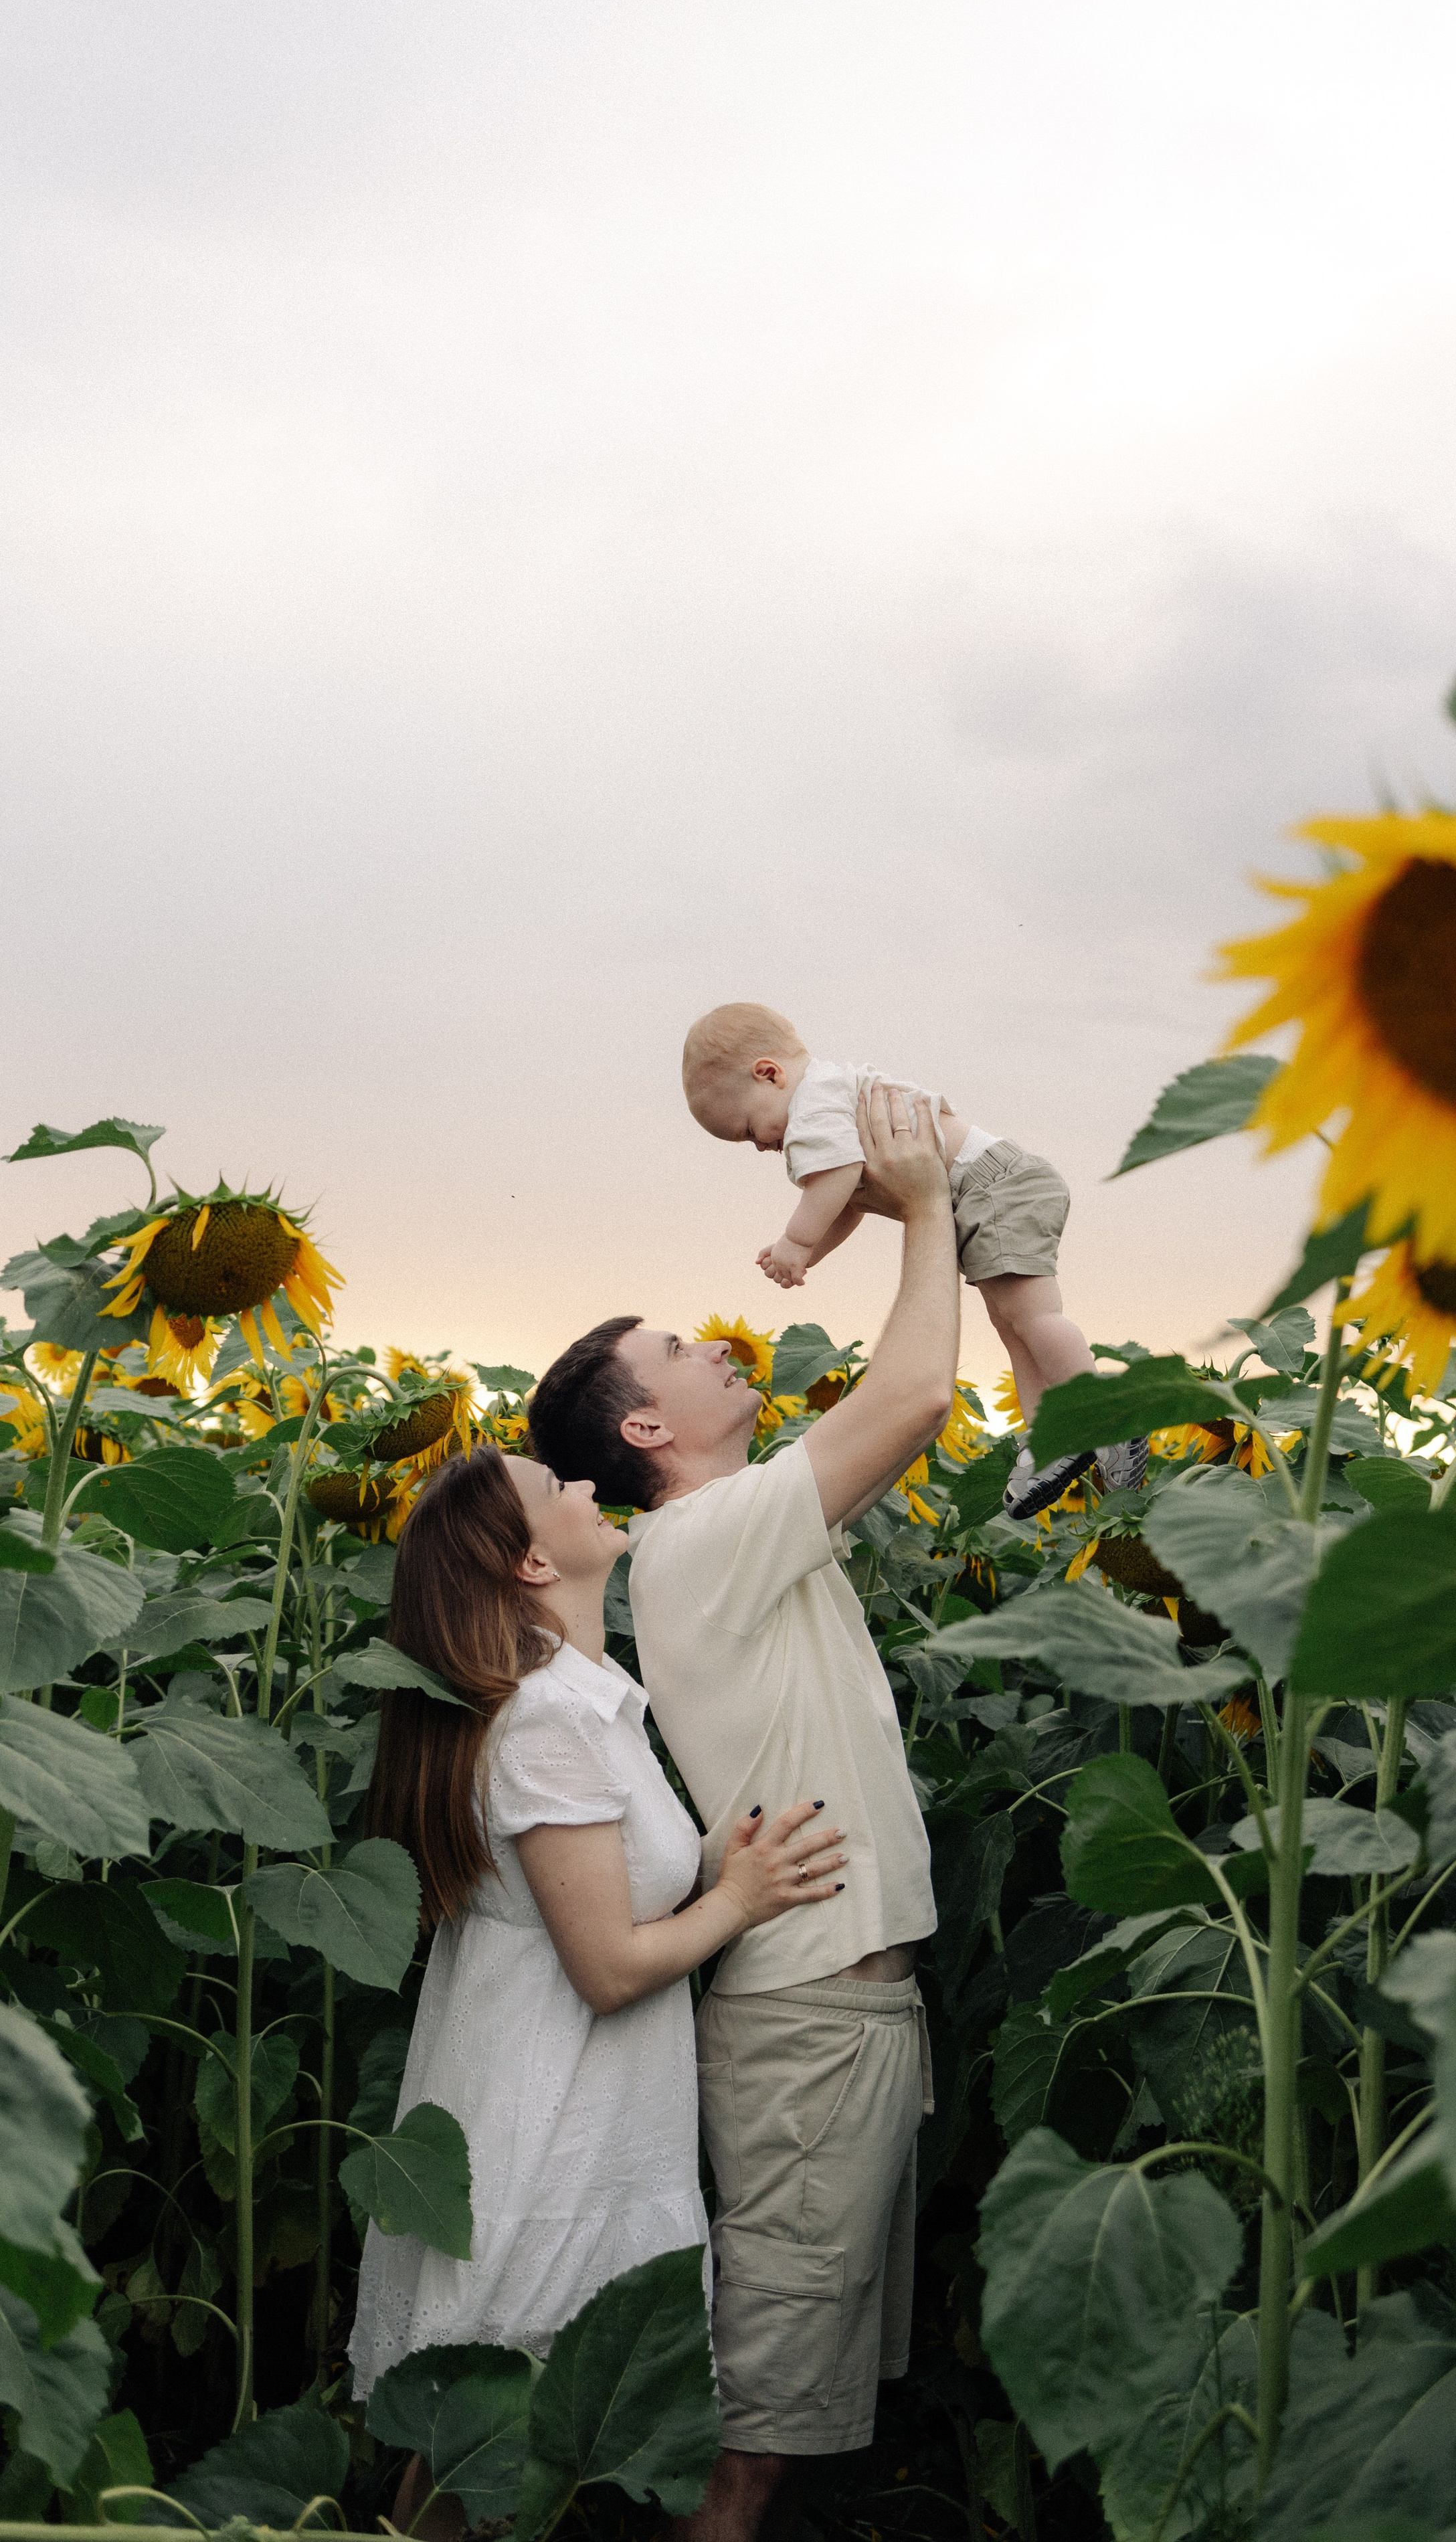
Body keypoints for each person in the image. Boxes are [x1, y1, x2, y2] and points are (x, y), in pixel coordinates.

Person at [527, 1085, 959, 2541]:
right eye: (675, 1350)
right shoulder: (701, 1533)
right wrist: (926, 1205)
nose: (719, 1341)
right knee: (757, 2436)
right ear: (646, 1423)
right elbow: (909, 1402)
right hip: (810, 2027)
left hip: (841, 2014)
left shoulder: (735, 1532)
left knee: (801, 2400)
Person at [348, 1442, 846, 2542]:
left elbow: (613, 1888)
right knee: (480, 2462)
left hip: (576, 2122)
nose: (584, 1487)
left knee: (491, 2459)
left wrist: (718, 1864)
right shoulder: (551, 1721)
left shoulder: (583, 1704)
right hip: (554, 2138)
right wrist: (742, 1901)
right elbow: (609, 1967)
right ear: (530, 1562)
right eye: (555, 1489)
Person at [680, 999, 1145, 1516]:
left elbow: (834, 1180)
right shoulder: (830, 1103)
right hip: (987, 1190)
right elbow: (849, 1204)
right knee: (1014, 1325)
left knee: (1035, 1317)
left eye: (748, 1129)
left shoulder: (814, 1103)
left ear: (769, 1074)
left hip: (996, 1185)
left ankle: (1108, 1417)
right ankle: (1050, 1438)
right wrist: (810, 1254)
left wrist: (795, 1241)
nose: (762, 1147)